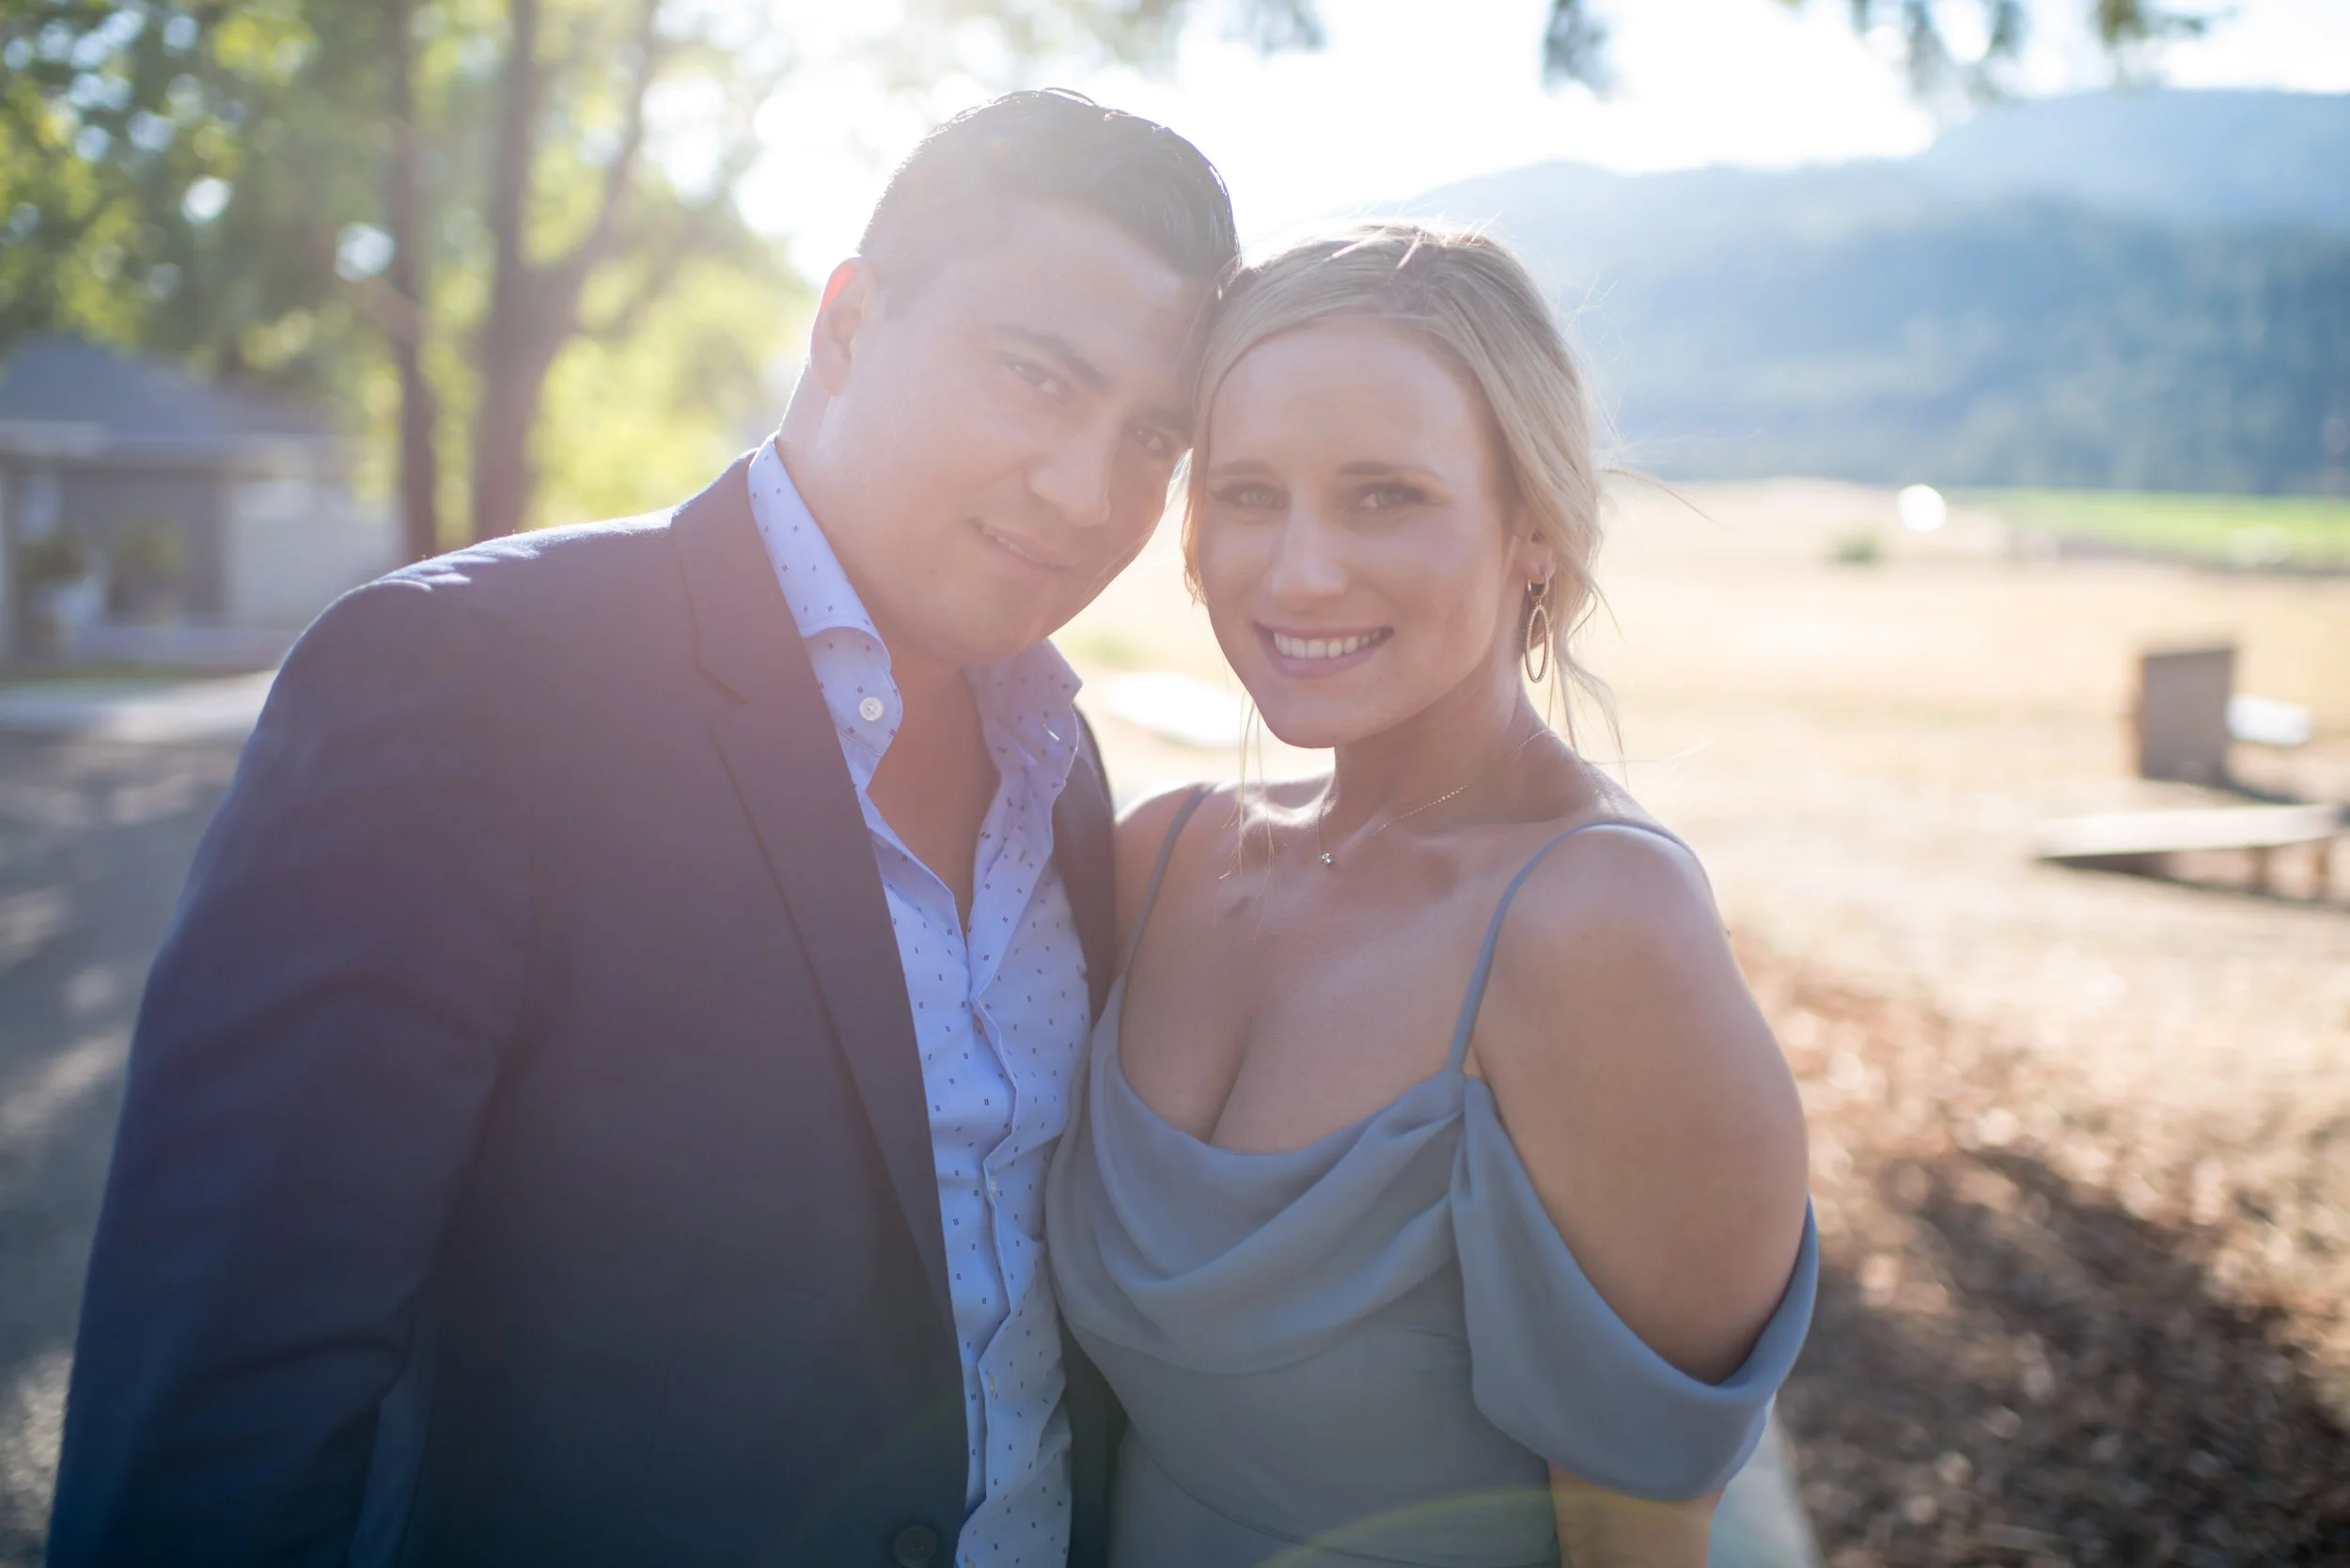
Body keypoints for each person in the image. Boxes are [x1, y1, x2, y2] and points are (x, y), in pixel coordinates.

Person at [48, 90, 1234, 1568]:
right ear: (851, 325)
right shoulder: (465, 683)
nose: (1089, 494)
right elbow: (218, 1418)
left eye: (1150, 439)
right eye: (1039, 381)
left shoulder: (1058, 773)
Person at [1043, 223, 1818, 1568]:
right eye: (1247, 493)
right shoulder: (1159, 862)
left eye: (1383, 495)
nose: (1297, 572)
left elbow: (1638, 1539)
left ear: (1531, 529)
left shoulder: (1596, 931)